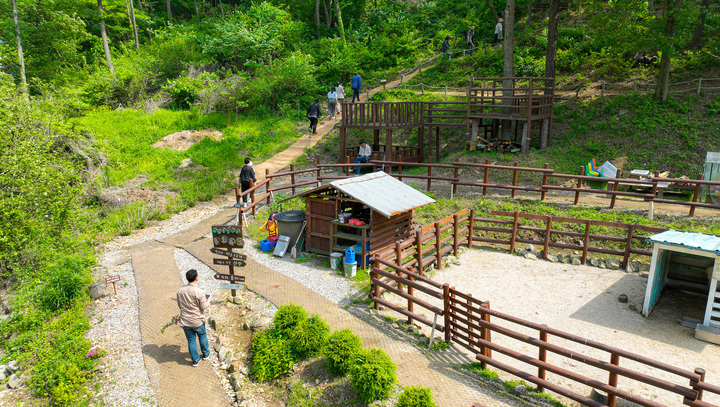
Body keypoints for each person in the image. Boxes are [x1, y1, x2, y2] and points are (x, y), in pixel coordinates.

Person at [177, 269, 211, 367]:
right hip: (197, 321)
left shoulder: (180, 291)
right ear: (196, 278)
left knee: (191, 340)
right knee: (202, 335)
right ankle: (205, 354)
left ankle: (195, 360)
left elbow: (180, 305)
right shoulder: (199, 292)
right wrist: (208, 301)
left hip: (185, 321)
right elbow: (203, 307)